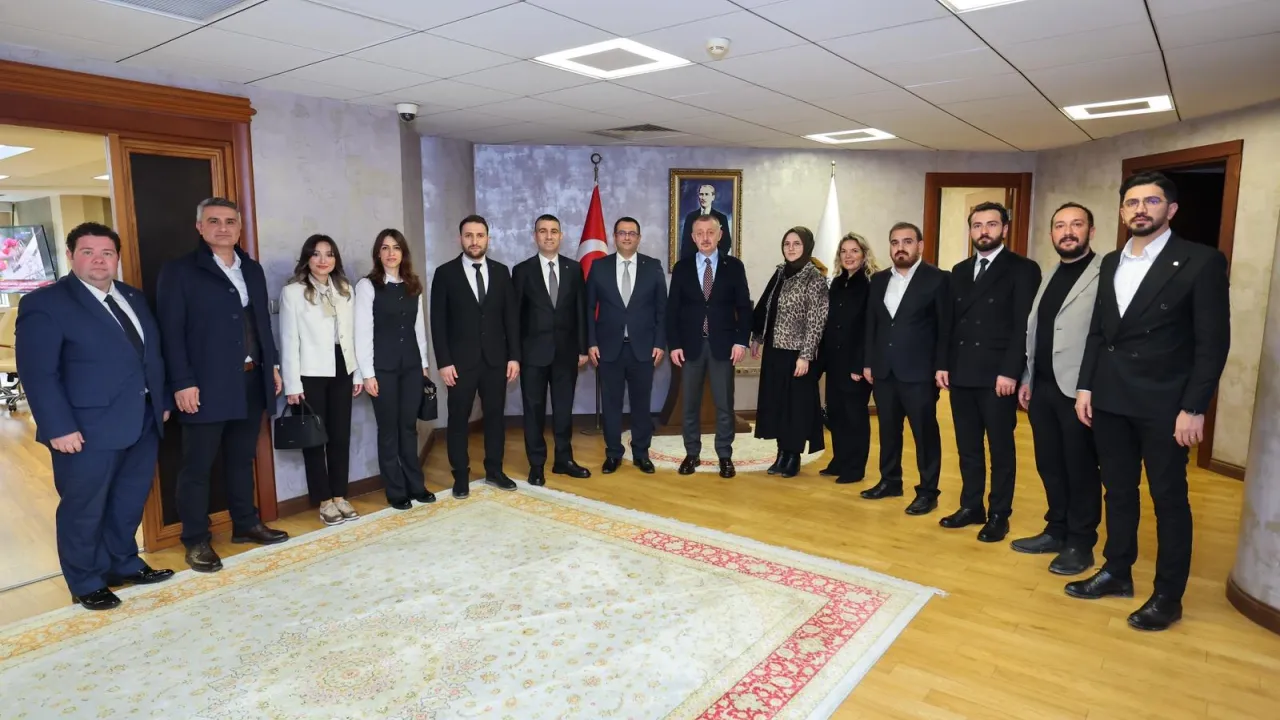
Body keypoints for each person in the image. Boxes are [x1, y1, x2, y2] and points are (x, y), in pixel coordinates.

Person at [1070, 171, 1230, 631]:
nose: (1141, 209)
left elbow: (1212, 343)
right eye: (1132, 202)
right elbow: (1099, 331)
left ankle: (1168, 596)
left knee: (1168, 499)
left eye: (1152, 201)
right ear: (1122, 212)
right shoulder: (1109, 262)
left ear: (1171, 209)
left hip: (1166, 404)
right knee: (1118, 490)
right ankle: (1117, 571)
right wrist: (1086, 387)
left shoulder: (1200, 261)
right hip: (1110, 398)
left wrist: (1194, 408)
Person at [15, 222, 174, 610]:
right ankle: (85, 581)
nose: (99, 260)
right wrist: (58, 427)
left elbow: (150, 355)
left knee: (128, 501)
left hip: (142, 420)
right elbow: (38, 373)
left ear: (117, 257)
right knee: (83, 508)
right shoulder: (45, 303)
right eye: (88, 252)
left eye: (107, 253)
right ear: (71, 255)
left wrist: (162, 400)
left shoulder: (132, 297)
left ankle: (123, 563)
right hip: (83, 429)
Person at [157, 198, 288, 573]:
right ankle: (196, 539)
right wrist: (182, 382)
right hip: (204, 386)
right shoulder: (179, 272)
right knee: (197, 467)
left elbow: (261, 323)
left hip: (251, 380)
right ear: (200, 227)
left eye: (230, 221)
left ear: (240, 228)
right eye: (213, 221)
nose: (223, 228)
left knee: (241, 459)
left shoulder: (252, 269)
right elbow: (171, 333)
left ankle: (245, 524)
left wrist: (272, 366)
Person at [939, 202, 1041, 543]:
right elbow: (949, 323)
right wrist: (943, 364)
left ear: (1005, 229)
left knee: (1000, 449)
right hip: (962, 371)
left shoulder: (1023, 269)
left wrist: (1011, 371)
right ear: (970, 230)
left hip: (998, 376)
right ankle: (971, 506)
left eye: (991, 224)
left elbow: (1023, 325)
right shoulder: (959, 270)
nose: (984, 231)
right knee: (967, 446)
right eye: (977, 225)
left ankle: (999, 514)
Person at [1012, 203, 1103, 575]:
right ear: (1052, 234)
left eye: (1076, 224)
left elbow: (1104, 336)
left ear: (1090, 231)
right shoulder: (1050, 274)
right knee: (1049, 463)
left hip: (1078, 393)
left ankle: (1081, 543)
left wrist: (1090, 387)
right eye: (1060, 225)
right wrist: (1027, 377)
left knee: (1080, 468)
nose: (1068, 232)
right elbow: (1037, 330)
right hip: (1043, 387)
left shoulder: (1104, 273)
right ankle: (1056, 529)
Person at [861, 222, 948, 515]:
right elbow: (872, 324)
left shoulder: (938, 279)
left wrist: (941, 366)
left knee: (924, 434)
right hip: (884, 370)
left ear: (919, 245)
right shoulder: (878, 280)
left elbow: (945, 328)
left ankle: (928, 491)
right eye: (895, 242)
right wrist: (868, 361)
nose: (901, 248)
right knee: (888, 429)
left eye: (907, 241)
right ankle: (890, 481)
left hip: (920, 373)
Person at [431, 215, 520, 499]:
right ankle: (460, 475)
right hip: (459, 364)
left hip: (496, 361)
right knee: (458, 419)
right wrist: (444, 362)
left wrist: (514, 357)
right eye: (469, 235)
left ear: (488, 239)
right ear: (460, 239)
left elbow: (510, 318)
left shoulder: (501, 272)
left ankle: (494, 470)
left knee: (495, 417)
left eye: (480, 235)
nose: (474, 241)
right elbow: (438, 322)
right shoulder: (445, 273)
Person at [280, 234, 364, 524]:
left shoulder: (345, 290)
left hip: (343, 367)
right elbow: (288, 340)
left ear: (335, 259)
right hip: (309, 372)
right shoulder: (293, 292)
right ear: (307, 258)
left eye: (329, 254)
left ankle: (340, 495)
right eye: (316, 254)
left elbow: (353, 335)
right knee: (314, 439)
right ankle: (325, 500)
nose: (323, 260)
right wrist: (293, 384)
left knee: (340, 435)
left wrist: (357, 373)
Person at [668, 214, 752, 478]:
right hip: (690, 346)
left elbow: (744, 307)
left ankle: (724, 456)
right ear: (693, 237)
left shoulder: (734, 266)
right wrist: (674, 344)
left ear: (720, 235)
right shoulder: (682, 268)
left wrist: (741, 341)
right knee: (689, 404)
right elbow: (672, 310)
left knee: (724, 404)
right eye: (700, 233)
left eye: (710, 232)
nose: (705, 237)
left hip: (723, 346)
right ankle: (692, 453)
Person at [354, 229, 432, 510]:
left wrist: (424, 366)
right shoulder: (367, 286)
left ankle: (416, 485)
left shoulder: (413, 285)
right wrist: (367, 374)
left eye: (396, 247)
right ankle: (396, 490)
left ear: (403, 253)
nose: (391, 253)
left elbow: (418, 330)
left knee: (409, 428)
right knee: (388, 430)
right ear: (378, 253)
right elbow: (362, 332)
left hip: (411, 367)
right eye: (385, 248)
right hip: (382, 369)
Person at [512, 214, 590, 486]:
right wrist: (515, 355)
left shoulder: (574, 269)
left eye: (553, 231)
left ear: (561, 236)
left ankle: (563, 460)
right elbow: (514, 317)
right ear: (535, 236)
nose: (548, 236)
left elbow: (581, 310)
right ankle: (536, 465)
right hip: (532, 355)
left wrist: (582, 348)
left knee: (563, 409)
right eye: (543, 231)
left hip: (566, 353)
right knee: (533, 411)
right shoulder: (522, 271)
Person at [586, 217, 665, 474]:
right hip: (608, 349)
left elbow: (662, 310)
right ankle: (613, 454)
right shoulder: (599, 267)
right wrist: (591, 342)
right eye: (622, 233)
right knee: (611, 405)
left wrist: (660, 343)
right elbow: (588, 308)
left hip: (643, 349)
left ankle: (641, 453)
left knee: (641, 404)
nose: (627, 237)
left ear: (639, 238)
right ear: (614, 237)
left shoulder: (653, 266)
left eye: (632, 233)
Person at [750, 227, 829, 477]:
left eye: (797, 243)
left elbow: (816, 321)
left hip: (798, 355)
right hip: (775, 350)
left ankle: (793, 456)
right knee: (777, 404)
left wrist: (805, 356)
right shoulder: (780, 273)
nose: (791, 248)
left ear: (807, 246)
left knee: (796, 408)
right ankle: (781, 453)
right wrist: (757, 337)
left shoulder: (814, 278)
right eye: (787, 243)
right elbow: (766, 306)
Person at [818, 233, 878, 485]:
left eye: (854, 251)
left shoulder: (872, 284)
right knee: (836, 413)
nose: (848, 256)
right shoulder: (837, 283)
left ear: (864, 254)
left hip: (856, 364)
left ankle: (855, 467)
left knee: (855, 416)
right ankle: (840, 460)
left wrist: (861, 363)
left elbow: (871, 327)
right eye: (844, 251)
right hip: (835, 361)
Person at [679, 185, 733, 260]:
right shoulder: (690, 217)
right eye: (701, 194)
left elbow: (726, 243)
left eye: (706, 194)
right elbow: (686, 244)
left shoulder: (721, 218)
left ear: (713, 197)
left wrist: (714, 258)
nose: (703, 197)